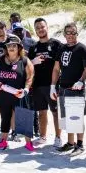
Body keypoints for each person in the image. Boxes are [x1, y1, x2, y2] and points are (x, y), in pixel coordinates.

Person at [50, 22, 86, 154]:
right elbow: (56, 69)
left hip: (76, 89)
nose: (70, 35)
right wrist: (52, 86)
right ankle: (70, 143)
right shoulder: (61, 49)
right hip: (62, 87)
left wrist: (81, 81)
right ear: (64, 34)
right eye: (67, 32)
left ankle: (79, 145)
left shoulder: (83, 49)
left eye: (73, 32)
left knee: (76, 117)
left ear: (76, 33)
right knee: (66, 117)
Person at [0, 35, 35, 151]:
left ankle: (28, 143)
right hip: (3, 94)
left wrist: (26, 89)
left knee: (24, 118)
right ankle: (3, 141)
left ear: (19, 47)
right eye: (9, 45)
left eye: (14, 45)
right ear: (6, 48)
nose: (11, 48)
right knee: (5, 118)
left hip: (19, 94)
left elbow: (30, 77)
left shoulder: (24, 60)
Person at [27, 17, 63, 147]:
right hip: (37, 85)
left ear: (47, 27)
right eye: (37, 28)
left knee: (55, 111)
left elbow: (63, 64)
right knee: (41, 112)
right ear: (35, 31)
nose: (40, 29)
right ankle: (42, 136)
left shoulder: (57, 44)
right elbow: (26, 66)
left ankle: (58, 138)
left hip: (53, 84)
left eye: (42, 27)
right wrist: (33, 62)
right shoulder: (33, 48)